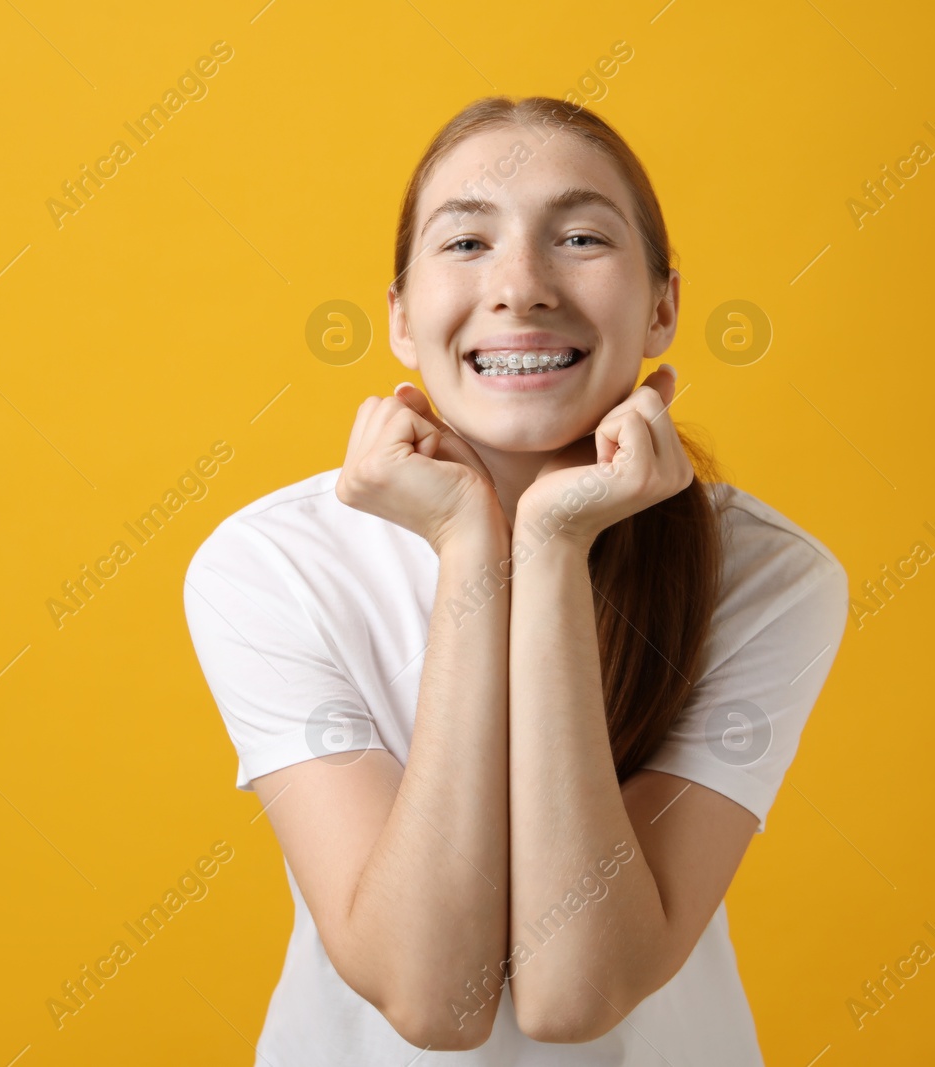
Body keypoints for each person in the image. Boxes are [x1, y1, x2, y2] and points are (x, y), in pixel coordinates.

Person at [182, 95, 849, 1065]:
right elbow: (433, 997)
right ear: (402, 320)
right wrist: (467, 545)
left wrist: (549, 546)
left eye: (579, 236)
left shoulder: (766, 575)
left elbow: (576, 988)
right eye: (465, 244)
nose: (520, 286)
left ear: (662, 306)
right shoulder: (274, 565)